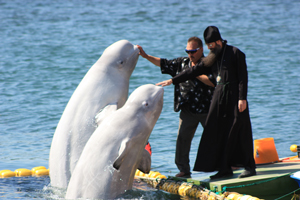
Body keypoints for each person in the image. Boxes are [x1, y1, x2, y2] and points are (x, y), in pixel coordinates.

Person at [156, 26, 256, 179]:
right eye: (208, 46)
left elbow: (243, 77)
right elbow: (193, 70)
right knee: (219, 133)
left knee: (241, 131)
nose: (209, 48)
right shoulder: (212, 56)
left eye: (211, 45)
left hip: (235, 97)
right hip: (219, 97)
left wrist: (242, 98)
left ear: (218, 41)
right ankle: (224, 169)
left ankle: (249, 167)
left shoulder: (235, 53)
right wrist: (173, 80)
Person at [137, 37, 215, 178]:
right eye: (188, 51)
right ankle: (184, 170)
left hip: (207, 110)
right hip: (187, 110)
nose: (190, 54)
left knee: (216, 139)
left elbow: (213, 82)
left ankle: (227, 165)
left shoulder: (207, 63)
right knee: (182, 140)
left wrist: (194, 72)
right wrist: (145, 55)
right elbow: (162, 63)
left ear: (201, 50)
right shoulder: (182, 63)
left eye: (193, 51)